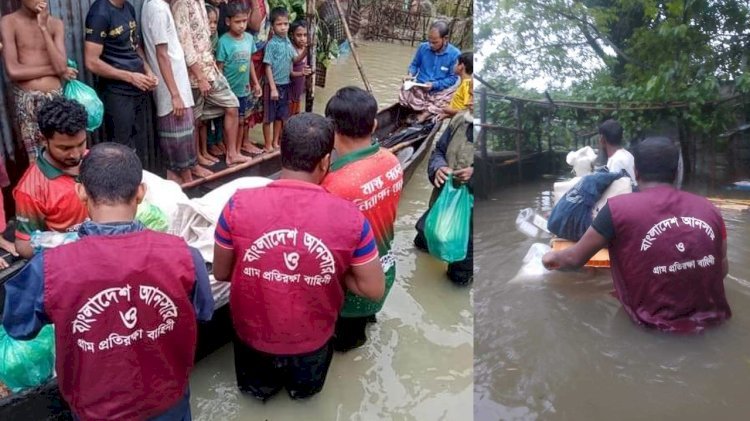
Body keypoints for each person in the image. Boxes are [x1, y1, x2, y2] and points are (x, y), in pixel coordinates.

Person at [3, 142, 214, 420]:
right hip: (169, 404)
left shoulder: (50, 267)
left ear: (80, 192)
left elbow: (18, 325)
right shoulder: (185, 255)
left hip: (96, 411)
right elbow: (204, 312)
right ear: (140, 193)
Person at [213, 112, 385, 400]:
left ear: (281, 151)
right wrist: (330, 272)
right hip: (313, 342)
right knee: (304, 398)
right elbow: (373, 289)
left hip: (252, 338)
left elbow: (221, 273)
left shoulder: (237, 205)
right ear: (325, 160)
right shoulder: (352, 219)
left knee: (256, 396)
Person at [542, 137, 731, 333]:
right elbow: (722, 270)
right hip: (716, 324)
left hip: (652, 330)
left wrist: (551, 257)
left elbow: (574, 259)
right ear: (676, 173)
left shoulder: (617, 210)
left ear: (636, 172)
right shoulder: (710, 210)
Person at [322, 87, 403, 351]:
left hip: (355, 284)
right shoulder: (392, 161)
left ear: (331, 129)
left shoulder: (335, 185)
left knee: (345, 345)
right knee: (363, 329)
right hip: (385, 267)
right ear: (375, 124)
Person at [171, 0, 250, 168]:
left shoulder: (199, 2)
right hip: (195, 76)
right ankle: (196, 161)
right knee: (195, 119)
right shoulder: (182, 4)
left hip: (209, 70)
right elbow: (185, 45)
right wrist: (199, 77)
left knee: (231, 105)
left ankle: (232, 154)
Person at [142, 0, 211, 184]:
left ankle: (187, 172)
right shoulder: (156, 8)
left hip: (177, 81)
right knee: (177, 131)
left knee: (185, 128)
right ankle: (184, 178)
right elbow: (162, 54)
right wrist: (174, 94)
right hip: (170, 86)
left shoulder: (161, 6)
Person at [12, 97, 89, 259]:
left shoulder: (93, 160)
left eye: (81, 144)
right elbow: (24, 246)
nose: (76, 154)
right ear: (44, 140)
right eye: (65, 148)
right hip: (67, 262)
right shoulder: (31, 190)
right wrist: (68, 243)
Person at [84, 0, 159, 166]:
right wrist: (131, 77)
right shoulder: (100, 13)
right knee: (120, 147)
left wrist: (148, 70)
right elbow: (91, 61)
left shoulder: (128, 8)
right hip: (117, 92)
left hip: (138, 88)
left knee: (138, 141)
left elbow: (135, 46)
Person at [1, 0, 76, 163]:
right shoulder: (9, 22)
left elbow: (61, 65)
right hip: (28, 101)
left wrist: (43, 28)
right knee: (37, 158)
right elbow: (13, 71)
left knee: (63, 151)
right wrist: (56, 70)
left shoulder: (55, 24)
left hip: (55, 99)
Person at [413, 110, 474, 285]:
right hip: (443, 201)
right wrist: (438, 167)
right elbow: (438, 150)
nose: (468, 99)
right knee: (422, 240)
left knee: (459, 274)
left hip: (472, 216)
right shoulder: (460, 120)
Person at [217, 3, 263, 156]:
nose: (242, 25)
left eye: (244, 21)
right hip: (228, 90)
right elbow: (220, 68)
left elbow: (250, 62)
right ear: (228, 21)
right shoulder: (223, 41)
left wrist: (255, 83)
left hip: (243, 88)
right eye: (238, 22)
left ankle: (237, 150)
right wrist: (221, 88)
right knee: (229, 121)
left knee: (242, 120)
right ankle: (230, 150)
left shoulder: (249, 39)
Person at [262, 7, 308, 152]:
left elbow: (295, 58)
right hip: (273, 86)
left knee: (280, 116)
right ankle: (268, 144)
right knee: (268, 117)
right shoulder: (271, 44)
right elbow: (267, 66)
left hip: (285, 84)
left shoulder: (288, 41)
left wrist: (307, 49)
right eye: (279, 24)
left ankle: (276, 143)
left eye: (286, 24)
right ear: (273, 26)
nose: (283, 27)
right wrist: (273, 88)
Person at [399, 20, 461, 122]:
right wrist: (410, 75)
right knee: (404, 89)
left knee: (451, 97)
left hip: (439, 92)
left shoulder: (455, 54)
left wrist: (434, 85)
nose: (431, 45)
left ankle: (425, 114)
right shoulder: (423, 47)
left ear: (445, 39)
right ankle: (423, 108)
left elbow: (452, 78)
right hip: (420, 87)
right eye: (429, 41)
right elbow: (414, 65)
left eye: (435, 42)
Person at [441, 51, 473, 119]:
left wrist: (450, 111)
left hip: (460, 122)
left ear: (461, 66)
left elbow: (468, 111)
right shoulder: (463, 83)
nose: (454, 65)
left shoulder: (467, 85)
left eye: (456, 63)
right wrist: (448, 114)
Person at [289, 20, 311, 115]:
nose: (302, 38)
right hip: (289, 94)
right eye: (299, 35)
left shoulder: (307, 50)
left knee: (296, 116)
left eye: (305, 35)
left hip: (299, 94)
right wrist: (301, 73)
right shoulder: (290, 49)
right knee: (287, 119)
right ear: (292, 35)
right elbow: (289, 71)